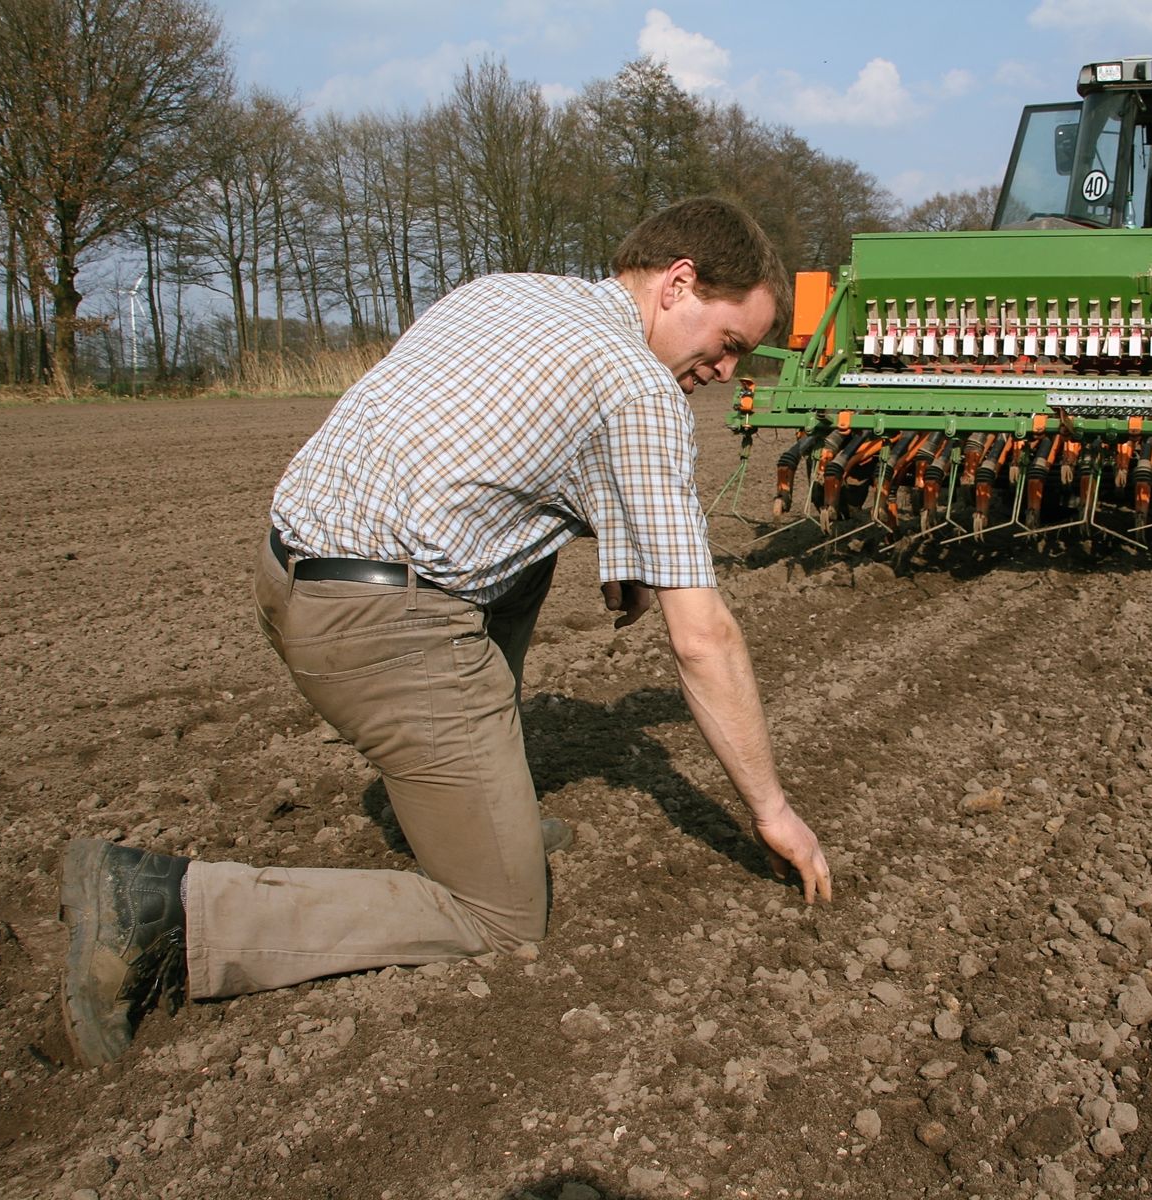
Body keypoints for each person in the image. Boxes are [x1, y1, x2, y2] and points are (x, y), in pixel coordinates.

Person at [60, 197, 833, 1067]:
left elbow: (491, 463)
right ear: (680, 283)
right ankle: (165, 909)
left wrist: (622, 545)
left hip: (286, 573)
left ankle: (480, 802)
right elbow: (704, 640)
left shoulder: (505, 292)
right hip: (381, 627)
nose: (728, 372)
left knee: (524, 553)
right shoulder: (636, 385)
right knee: (502, 918)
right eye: (729, 343)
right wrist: (771, 810)